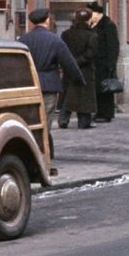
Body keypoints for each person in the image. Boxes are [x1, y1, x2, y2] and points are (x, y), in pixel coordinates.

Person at [18, 8, 84, 157]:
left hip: (29, 85)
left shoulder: (23, 40)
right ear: (47, 20)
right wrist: (79, 80)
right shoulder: (54, 40)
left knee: (31, 119)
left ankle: (34, 151)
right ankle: (43, 154)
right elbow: (69, 63)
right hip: (49, 85)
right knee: (45, 121)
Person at [60, 8, 99, 129]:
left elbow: (62, 52)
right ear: (88, 19)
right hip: (85, 69)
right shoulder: (92, 35)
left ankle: (63, 120)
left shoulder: (66, 34)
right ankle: (84, 122)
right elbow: (90, 54)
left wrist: (70, 63)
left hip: (69, 70)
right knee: (84, 97)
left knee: (68, 95)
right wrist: (78, 62)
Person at [88, 2, 120, 123]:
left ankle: (106, 113)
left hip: (104, 63)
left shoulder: (108, 25)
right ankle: (99, 111)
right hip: (96, 63)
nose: (90, 16)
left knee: (105, 89)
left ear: (98, 13)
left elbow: (113, 46)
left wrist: (111, 64)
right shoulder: (93, 25)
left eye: (92, 13)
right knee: (98, 89)